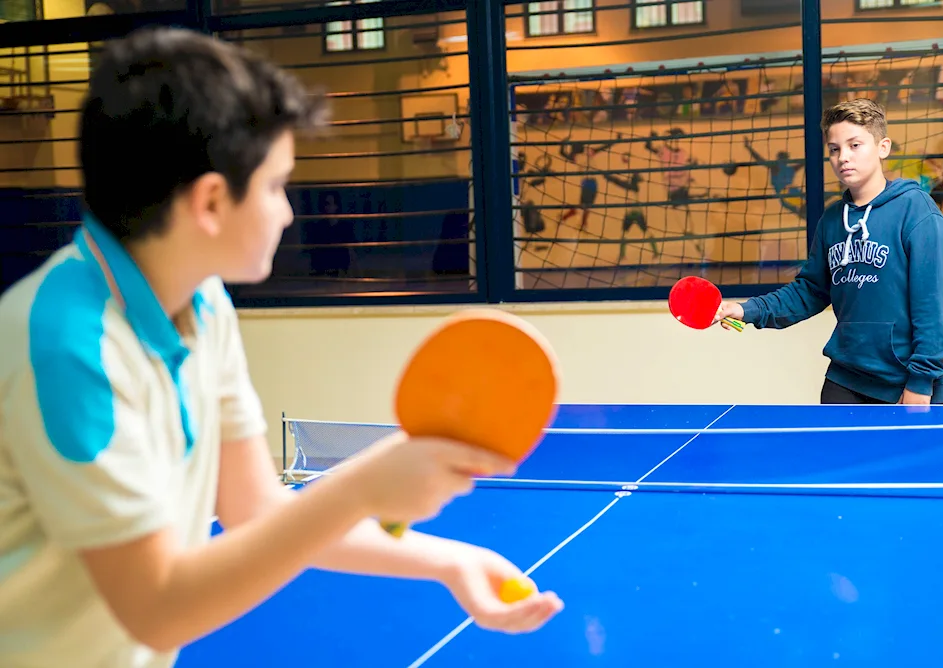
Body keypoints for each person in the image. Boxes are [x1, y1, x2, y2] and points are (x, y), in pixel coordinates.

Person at [0, 27, 562, 667]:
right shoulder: (68, 351)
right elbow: (157, 610)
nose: (289, 213)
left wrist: (451, 561)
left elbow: (255, 511)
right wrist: (361, 488)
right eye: (275, 187)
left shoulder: (202, 304)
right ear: (211, 200)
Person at [715, 98, 943, 405]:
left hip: (912, 383)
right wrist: (746, 310)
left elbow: (936, 304)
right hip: (847, 380)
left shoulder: (916, 210)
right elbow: (810, 290)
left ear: (883, 147)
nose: (843, 157)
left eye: (855, 145)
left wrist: (921, 382)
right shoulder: (832, 220)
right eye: (834, 149)